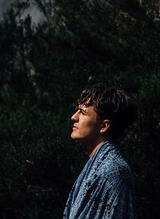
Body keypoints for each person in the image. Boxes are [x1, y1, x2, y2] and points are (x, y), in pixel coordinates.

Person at [63, 84, 137, 219]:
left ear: (104, 126)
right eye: (77, 111)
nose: (74, 117)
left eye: (83, 113)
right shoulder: (98, 167)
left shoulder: (113, 172)